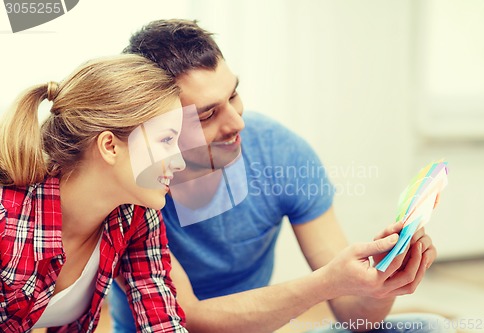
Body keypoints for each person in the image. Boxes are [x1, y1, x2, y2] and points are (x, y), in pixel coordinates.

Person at [108, 20, 453, 333]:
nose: (236, 123)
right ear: (156, 123)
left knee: (428, 328)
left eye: (233, 96)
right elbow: (186, 318)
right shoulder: (130, 187)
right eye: (208, 114)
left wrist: (379, 282)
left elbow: (354, 314)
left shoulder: (279, 153)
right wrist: (326, 283)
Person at [0, 54, 189, 333]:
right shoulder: (6, 218)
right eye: (166, 140)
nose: (181, 162)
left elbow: (160, 318)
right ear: (110, 146)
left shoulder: (137, 216)